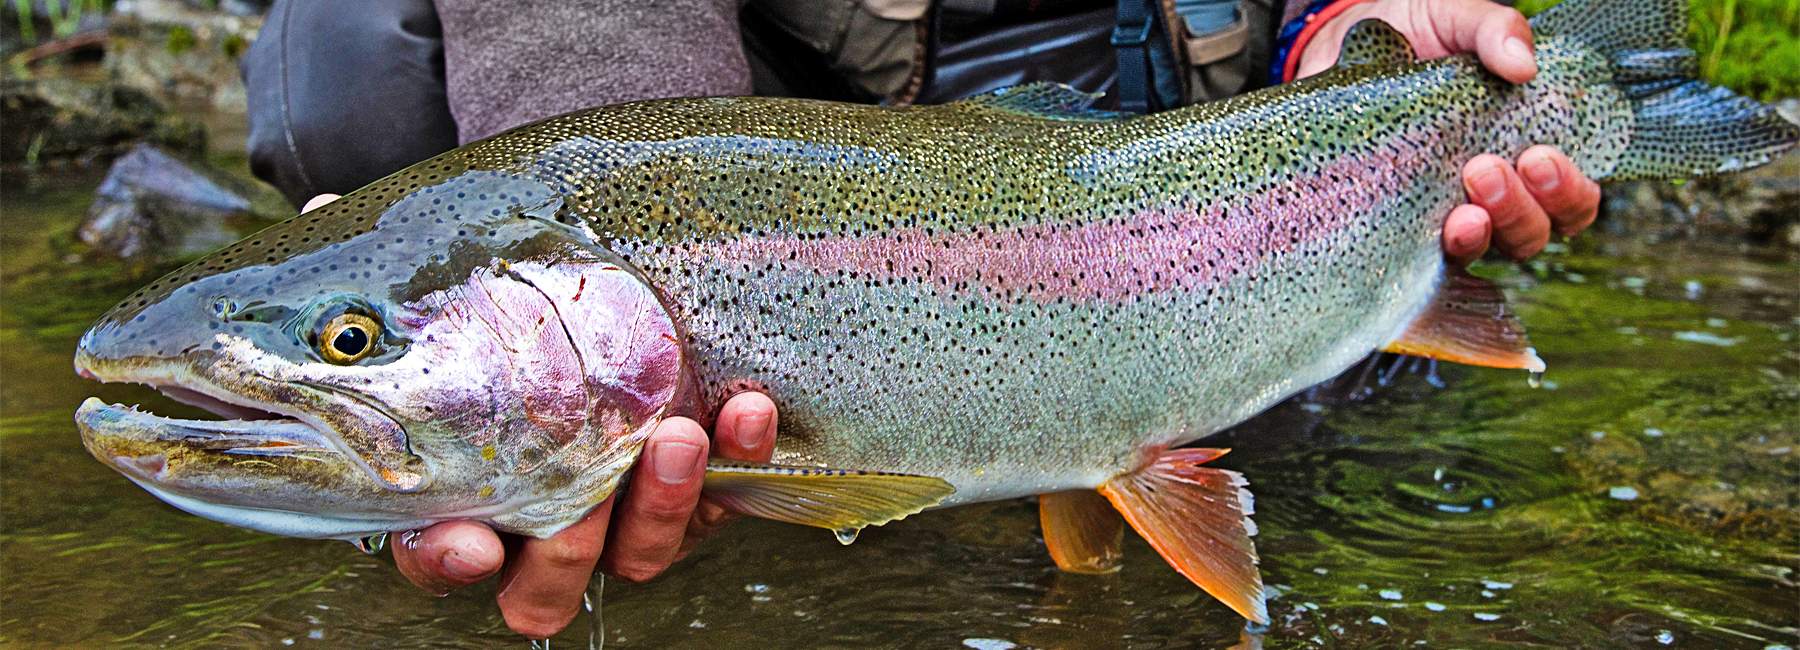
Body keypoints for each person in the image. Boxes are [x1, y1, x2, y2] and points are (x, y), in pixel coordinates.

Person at [244, 0, 1600, 638]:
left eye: (352, 344)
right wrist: (617, 150)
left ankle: (1360, 294)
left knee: (1477, 163)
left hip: (1196, 116)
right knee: (345, 60)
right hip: (789, 93)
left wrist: (1340, 29)